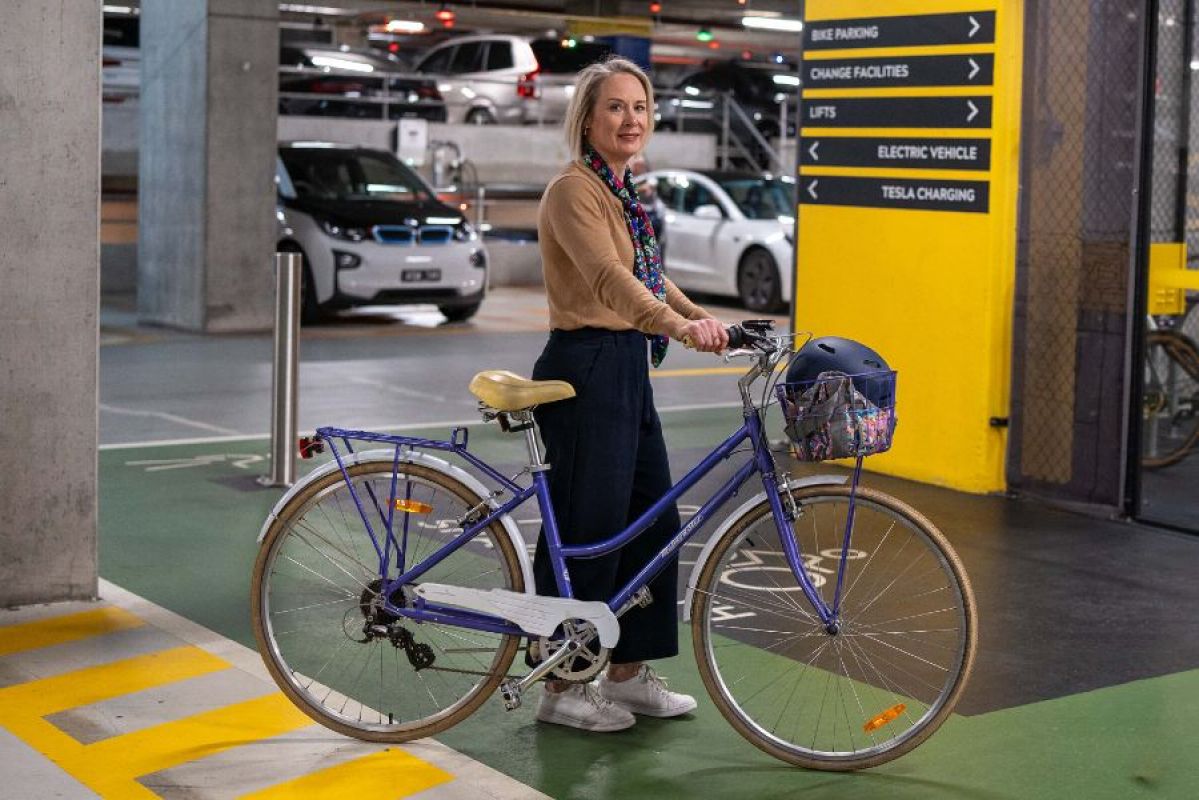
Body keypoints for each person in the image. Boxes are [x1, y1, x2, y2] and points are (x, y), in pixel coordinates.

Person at [530, 57, 729, 733]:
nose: (631, 119)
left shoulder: (620, 192)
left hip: (625, 364)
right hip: (584, 366)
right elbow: (612, 280)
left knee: (652, 522)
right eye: (615, 107)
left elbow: (650, 274)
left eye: (640, 107)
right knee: (590, 529)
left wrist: (711, 321)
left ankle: (625, 672)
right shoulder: (572, 190)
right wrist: (676, 325)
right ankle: (561, 682)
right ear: (586, 118)